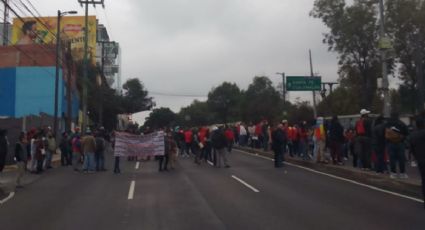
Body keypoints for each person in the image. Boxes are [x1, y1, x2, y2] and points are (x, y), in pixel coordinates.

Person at [385, 112, 409, 178]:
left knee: (392, 159)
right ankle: (402, 173)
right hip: (400, 143)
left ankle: (393, 173)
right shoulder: (401, 123)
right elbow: (407, 133)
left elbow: (383, 133)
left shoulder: (387, 124)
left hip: (390, 143)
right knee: (401, 159)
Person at [409, 116, 425, 209]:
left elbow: (411, 149)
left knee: (423, 179)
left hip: (420, 160)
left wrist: (416, 157)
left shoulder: (413, 135)